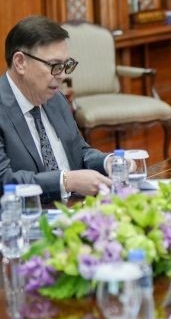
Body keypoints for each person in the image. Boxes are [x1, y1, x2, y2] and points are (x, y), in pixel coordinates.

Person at [0, 15, 112, 203]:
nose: (62, 75)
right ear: (20, 63)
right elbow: (4, 181)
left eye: (65, 65)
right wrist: (67, 181)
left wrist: (108, 162)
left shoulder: (56, 99)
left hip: (73, 208)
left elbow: (78, 151)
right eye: (54, 65)